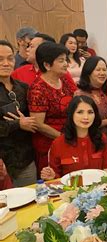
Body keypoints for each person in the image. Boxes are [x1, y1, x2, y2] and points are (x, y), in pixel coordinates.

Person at [28, 42, 77, 174]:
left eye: (66, 59)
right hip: (49, 144)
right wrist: (62, 137)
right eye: (61, 61)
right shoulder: (38, 88)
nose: (66, 63)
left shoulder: (65, 80)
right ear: (47, 65)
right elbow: (38, 124)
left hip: (69, 137)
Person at [40, 96, 107, 179]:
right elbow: (56, 177)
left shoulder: (102, 138)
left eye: (90, 112)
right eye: (80, 112)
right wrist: (51, 175)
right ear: (71, 114)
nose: (86, 117)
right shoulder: (58, 143)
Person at [0, 40, 37, 186]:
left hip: (25, 157)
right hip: (2, 160)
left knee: (30, 202)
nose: (6, 63)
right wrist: (17, 124)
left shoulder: (22, 87)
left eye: (10, 58)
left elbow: (33, 117)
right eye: (0, 59)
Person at [75, 56, 107, 165]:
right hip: (92, 142)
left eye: (104, 69)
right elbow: (81, 123)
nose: (102, 73)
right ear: (89, 72)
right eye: (98, 70)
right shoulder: (80, 95)